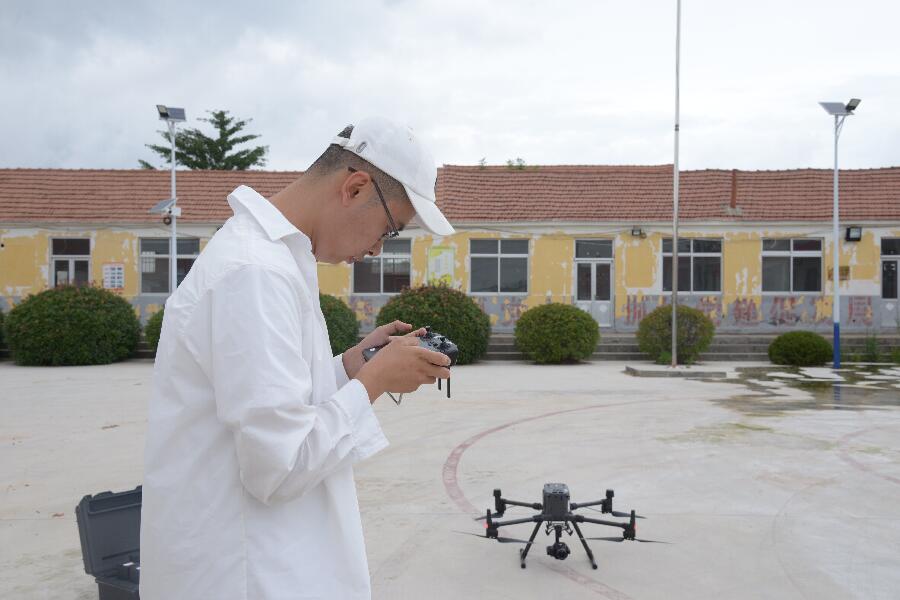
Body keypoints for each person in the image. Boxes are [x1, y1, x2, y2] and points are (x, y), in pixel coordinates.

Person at [140, 117, 456, 599]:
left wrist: (348, 369)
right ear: (354, 188)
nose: (376, 249)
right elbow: (280, 464)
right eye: (389, 230)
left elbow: (270, 401)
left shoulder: (273, 260)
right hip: (247, 574)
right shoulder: (255, 273)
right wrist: (372, 383)